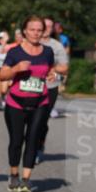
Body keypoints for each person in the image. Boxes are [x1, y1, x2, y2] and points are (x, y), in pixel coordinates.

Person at [0, 16, 59, 192]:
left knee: (33, 140)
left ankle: (26, 180)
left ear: (44, 32)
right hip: (16, 103)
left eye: (39, 30)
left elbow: (50, 70)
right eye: (32, 29)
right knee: (16, 141)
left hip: (40, 102)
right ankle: (14, 175)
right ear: (25, 31)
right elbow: (2, 75)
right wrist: (16, 69)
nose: (36, 33)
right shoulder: (15, 52)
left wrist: (52, 75)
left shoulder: (48, 52)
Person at [36, 16, 69, 159]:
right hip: (31, 86)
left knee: (42, 120)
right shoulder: (31, 43)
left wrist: (51, 69)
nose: (47, 29)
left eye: (50, 26)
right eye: (45, 25)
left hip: (50, 87)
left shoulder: (57, 45)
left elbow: (64, 68)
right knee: (30, 119)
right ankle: (30, 145)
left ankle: (38, 146)